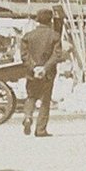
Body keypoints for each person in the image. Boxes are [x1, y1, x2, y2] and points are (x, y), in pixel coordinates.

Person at [20, 9, 62, 137]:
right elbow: (57, 55)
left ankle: (27, 116)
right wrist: (45, 68)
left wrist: (34, 68)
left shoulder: (28, 36)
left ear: (37, 20)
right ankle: (40, 130)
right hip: (47, 74)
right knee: (45, 101)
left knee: (31, 96)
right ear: (50, 21)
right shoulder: (55, 36)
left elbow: (24, 55)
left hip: (31, 73)